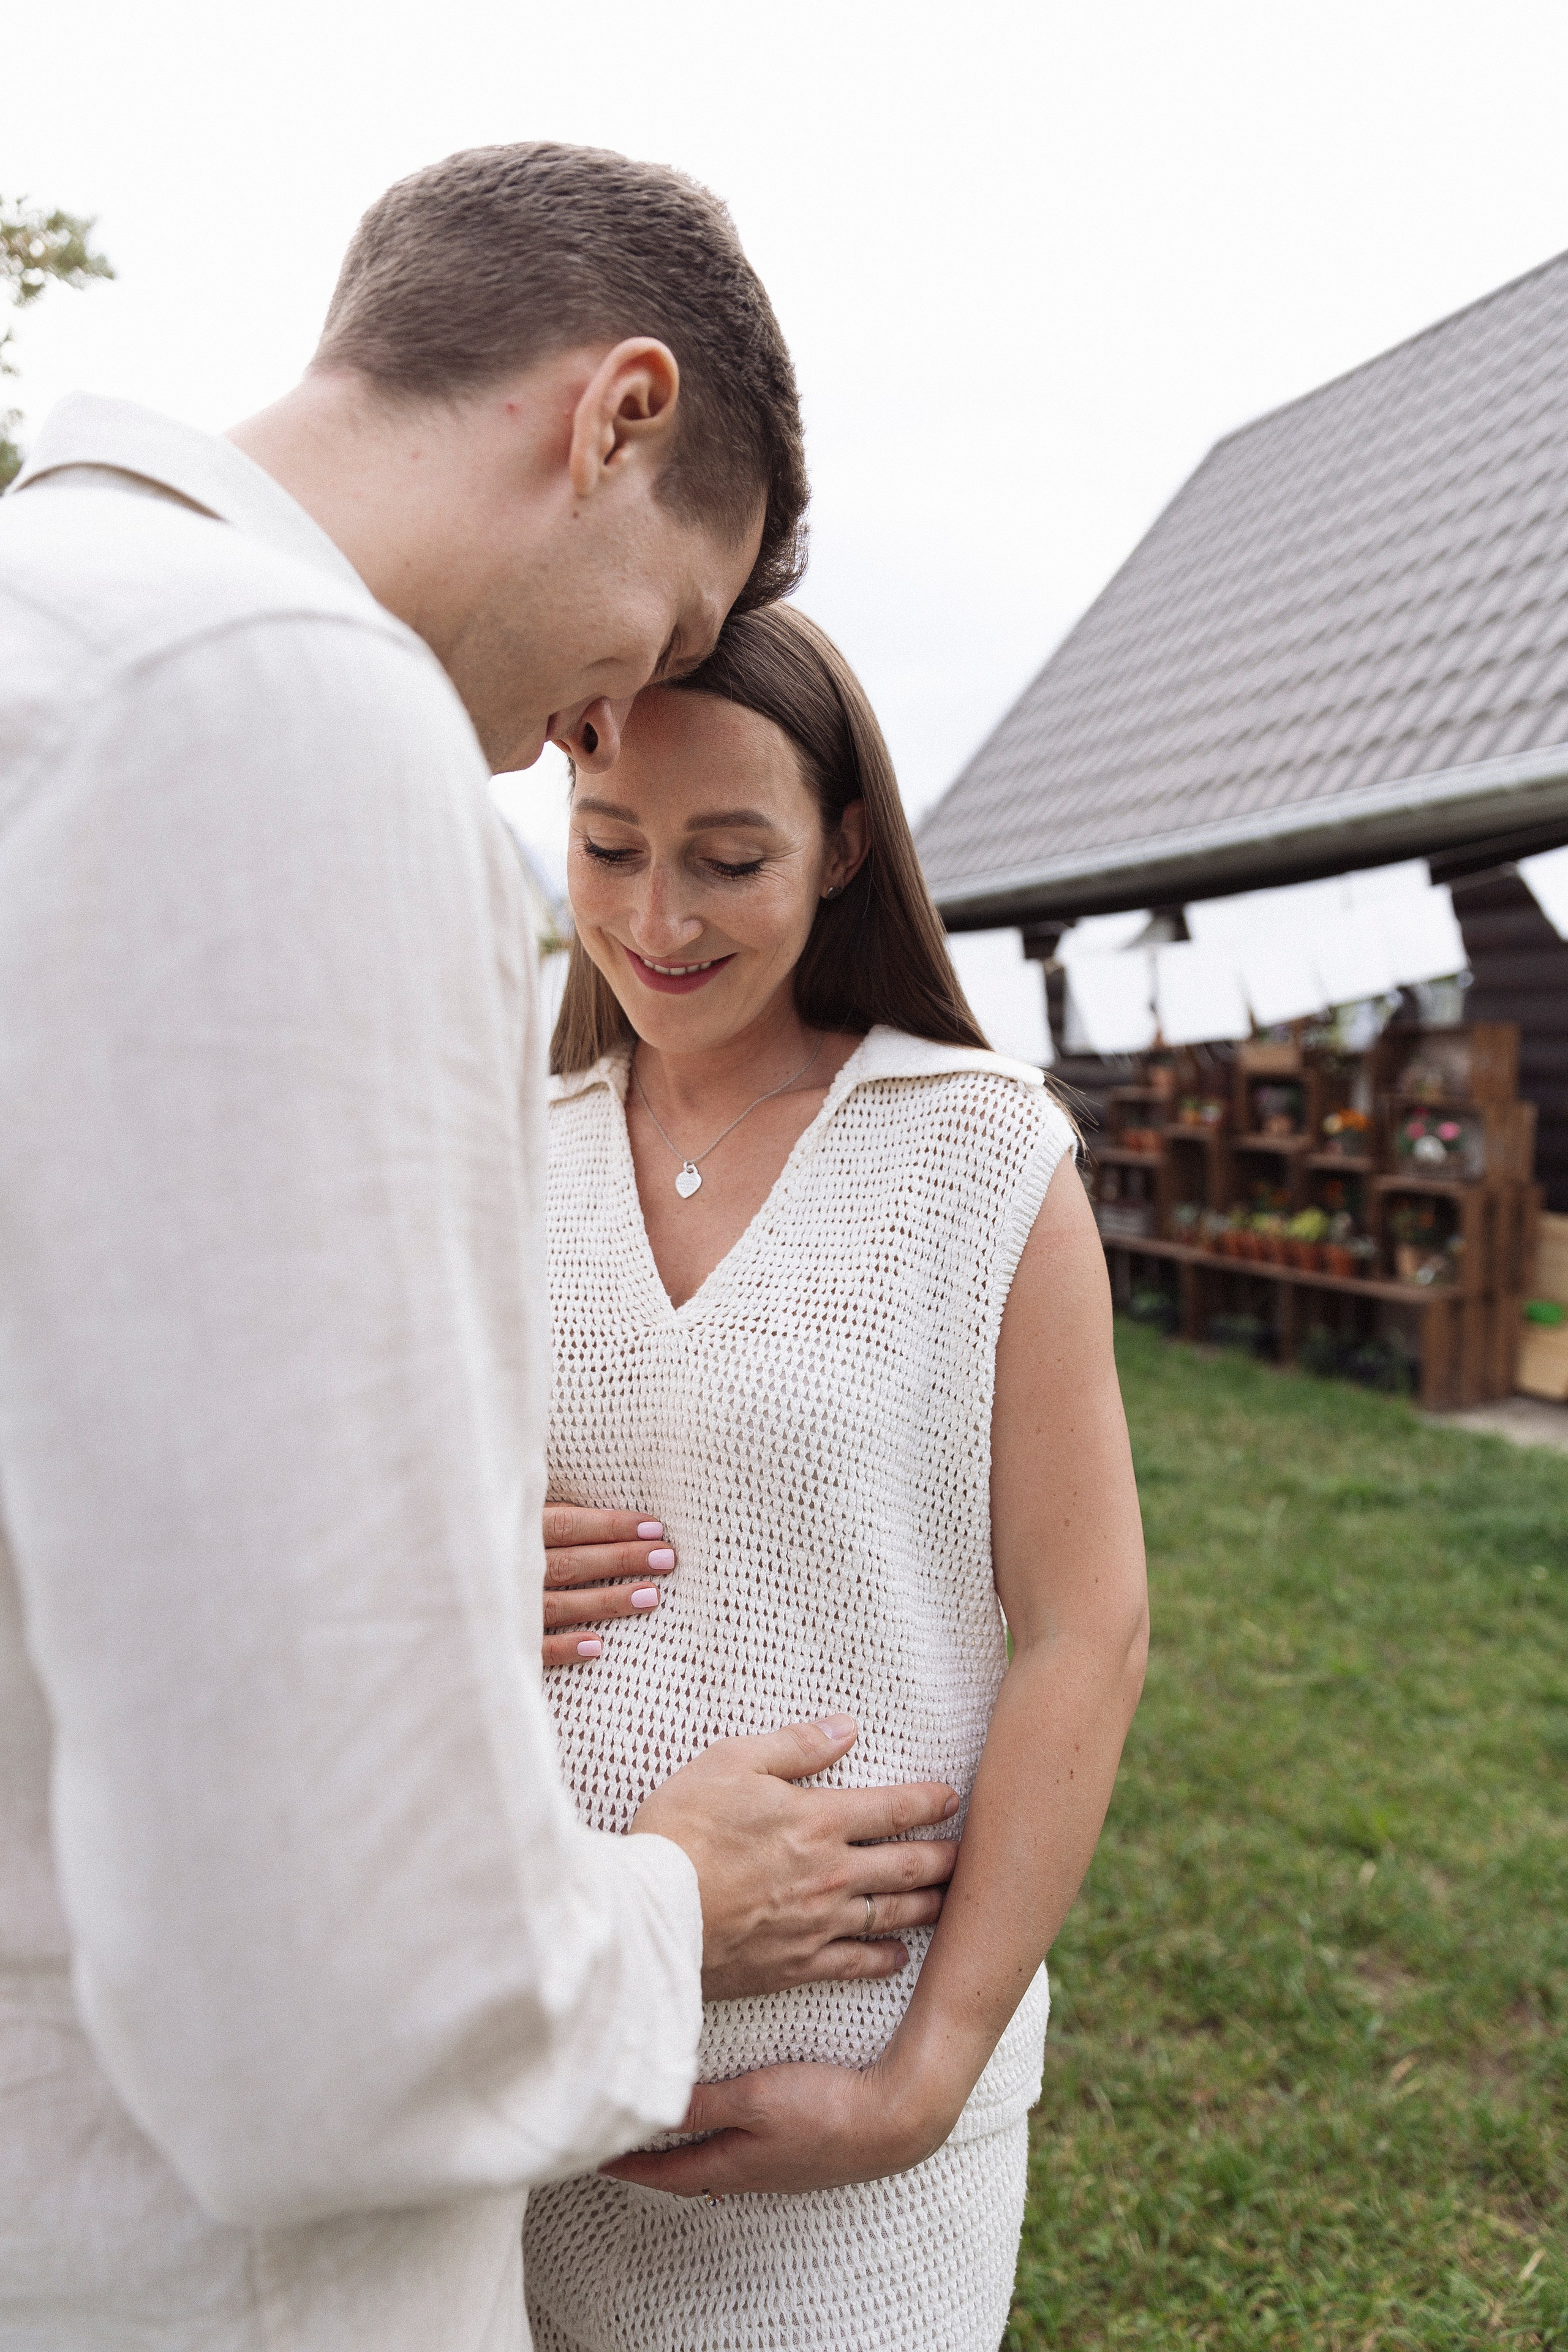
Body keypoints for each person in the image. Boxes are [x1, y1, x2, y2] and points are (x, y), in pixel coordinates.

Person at [0, 146, 962, 2352]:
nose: (601, 712)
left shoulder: (47, 636)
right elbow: (341, 1981)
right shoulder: (276, 722)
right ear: (615, 415)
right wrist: (673, 1909)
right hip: (186, 2266)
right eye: (678, 613)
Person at [525, 605, 1151, 2352]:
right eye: (611, 849)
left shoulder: (977, 1152)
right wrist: (448, 1570)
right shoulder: (507, 1142)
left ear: (845, 846)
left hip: (849, 2127)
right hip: (536, 2055)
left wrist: (926, 2074)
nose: (658, 919)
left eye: (730, 859)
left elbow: (1087, 1629)